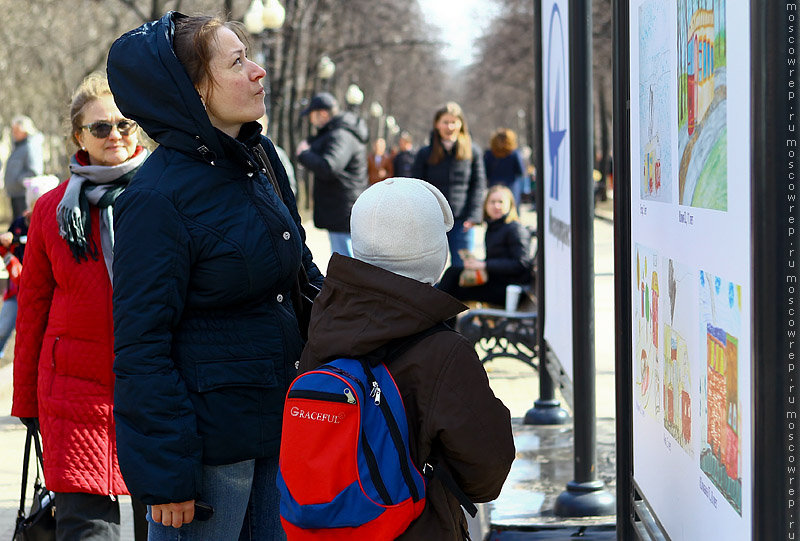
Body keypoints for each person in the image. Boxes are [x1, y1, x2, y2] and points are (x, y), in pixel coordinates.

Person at [107, 12, 323, 540]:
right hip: (207, 461)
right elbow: (141, 346)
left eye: (248, 56)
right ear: (194, 91)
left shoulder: (260, 158)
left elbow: (300, 275)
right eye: (237, 62)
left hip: (280, 428)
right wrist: (168, 476)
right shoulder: (155, 199)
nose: (258, 71)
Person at [298, 177, 515, 540]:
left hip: (325, 525)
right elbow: (486, 475)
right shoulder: (445, 352)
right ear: (435, 254)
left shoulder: (322, 326)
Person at [11, 73, 149, 541]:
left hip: (153, 389)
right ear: (78, 137)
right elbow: (31, 308)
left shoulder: (165, 200)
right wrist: (27, 401)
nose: (116, 136)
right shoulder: (52, 211)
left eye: (125, 125)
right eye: (101, 128)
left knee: (168, 524)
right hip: (73, 392)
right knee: (87, 530)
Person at [411, 102, 486, 268]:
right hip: (433, 220)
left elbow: (478, 185)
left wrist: (473, 216)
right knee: (430, 267)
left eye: (454, 122)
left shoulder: (472, 152)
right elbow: (416, 186)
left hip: (462, 221)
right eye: (445, 122)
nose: (450, 126)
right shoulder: (425, 153)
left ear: (461, 124)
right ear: (437, 124)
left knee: (463, 267)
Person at [296, 91, 368, 257]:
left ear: (322, 113)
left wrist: (305, 154)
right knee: (345, 258)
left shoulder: (341, 135)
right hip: (341, 208)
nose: (311, 120)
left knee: (346, 261)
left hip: (342, 209)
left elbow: (330, 167)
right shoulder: (339, 132)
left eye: (312, 116)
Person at [437, 185, 533, 307]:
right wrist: (477, 264)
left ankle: (436, 318)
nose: (497, 206)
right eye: (492, 202)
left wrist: (484, 265)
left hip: (511, 289)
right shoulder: (494, 226)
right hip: (496, 280)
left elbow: (522, 264)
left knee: (454, 289)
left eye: (501, 202)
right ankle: (439, 318)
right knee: (453, 272)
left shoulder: (515, 229)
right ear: (486, 206)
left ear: (510, 205)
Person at [0, 175, 59, 359]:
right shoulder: (20, 224)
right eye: (36, 202)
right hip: (18, 288)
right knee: (4, 326)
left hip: (44, 291)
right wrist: (7, 241)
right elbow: (5, 245)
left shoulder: (55, 222)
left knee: (41, 332)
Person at [4, 115, 44, 221]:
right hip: (15, 195)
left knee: (23, 228)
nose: (14, 133)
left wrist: (18, 181)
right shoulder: (19, 147)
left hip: (24, 197)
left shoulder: (30, 147)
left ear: (25, 130)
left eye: (16, 130)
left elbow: (34, 172)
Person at [483, 128, 527, 209]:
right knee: (512, 209)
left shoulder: (489, 154)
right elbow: (521, 171)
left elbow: (485, 172)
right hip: (511, 187)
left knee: (494, 209)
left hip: (494, 186)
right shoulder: (514, 154)